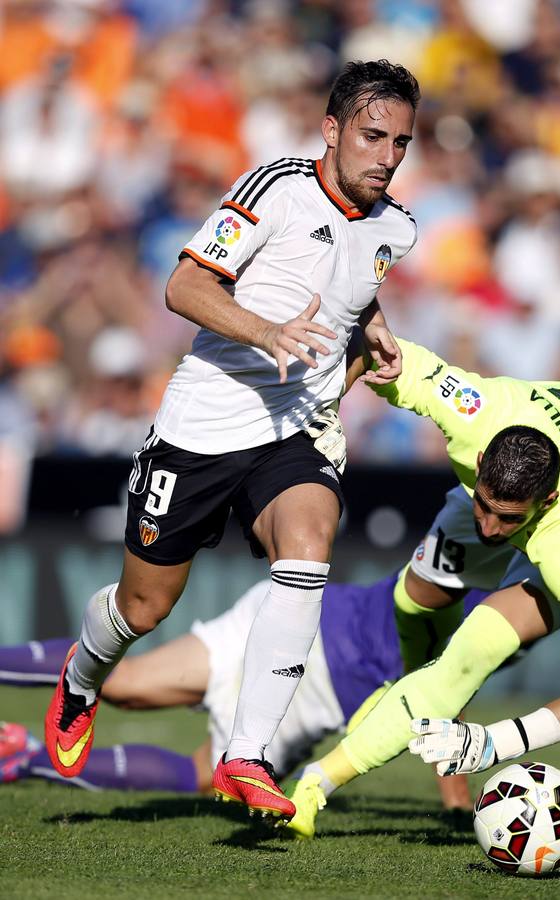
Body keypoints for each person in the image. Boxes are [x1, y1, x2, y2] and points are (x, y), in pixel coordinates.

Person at [44, 59, 421, 820]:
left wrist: (373, 330)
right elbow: (183, 287)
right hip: (202, 428)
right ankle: (82, 677)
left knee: (310, 541)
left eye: (401, 143)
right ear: (332, 130)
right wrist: (266, 330)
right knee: (143, 608)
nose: (386, 156)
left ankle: (244, 754)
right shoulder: (274, 186)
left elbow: (352, 280)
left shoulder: (398, 227)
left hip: (292, 431)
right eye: (372, 136)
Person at [282, 336, 560, 837]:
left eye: (506, 518)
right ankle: (409, 690)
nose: (489, 530)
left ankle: (315, 782)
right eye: (483, 505)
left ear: (547, 499)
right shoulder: (475, 412)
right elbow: (382, 350)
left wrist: (495, 742)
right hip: (551, 470)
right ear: (484, 455)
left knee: (474, 648)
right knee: (414, 598)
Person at [3, 576, 560, 804]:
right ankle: (29, 756)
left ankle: (27, 754)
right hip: (325, 672)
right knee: (203, 773)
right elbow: (438, 681)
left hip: (298, 612)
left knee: (122, 687)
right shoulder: (542, 592)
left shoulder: (501, 545)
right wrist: (456, 794)